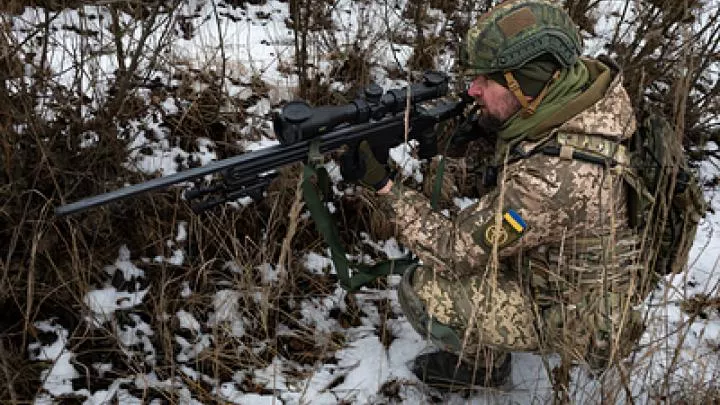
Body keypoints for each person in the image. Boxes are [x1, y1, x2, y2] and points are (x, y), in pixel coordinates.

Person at [340, 0, 646, 391]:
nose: (473, 89)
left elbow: (452, 250)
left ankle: (483, 368)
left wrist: (384, 187)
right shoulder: (587, 96)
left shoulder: (552, 181)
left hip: (576, 312)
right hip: (575, 269)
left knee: (424, 291)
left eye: (488, 80)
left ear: (529, 84)